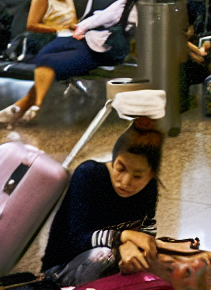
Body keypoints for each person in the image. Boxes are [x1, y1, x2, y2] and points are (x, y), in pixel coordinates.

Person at [0, 0, 152, 123]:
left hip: (100, 51)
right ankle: (25, 106)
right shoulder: (129, 6)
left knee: (48, 62)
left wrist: (80, 29)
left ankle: (22, 106)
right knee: (46, 57)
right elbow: (98, 19)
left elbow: (99, 19)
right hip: (92, 41)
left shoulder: (137, 10)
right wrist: (80, 29)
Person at [40, 117, 162, 279]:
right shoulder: (89, 175)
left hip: (111, 267)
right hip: (62, 270)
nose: (125, 182)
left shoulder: (150, 188)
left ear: (151, 175)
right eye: (120, 168)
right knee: (104, 255)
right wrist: (122, 238)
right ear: (113, 159)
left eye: (138, 177)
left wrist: (133, 247)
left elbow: (146, 232)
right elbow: (78, 240)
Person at [10, 0, 79, 63]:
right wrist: (57, 29)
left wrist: (77, 27)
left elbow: (73, 19)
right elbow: (31, 25)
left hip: (69, 35)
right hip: (51, 37)